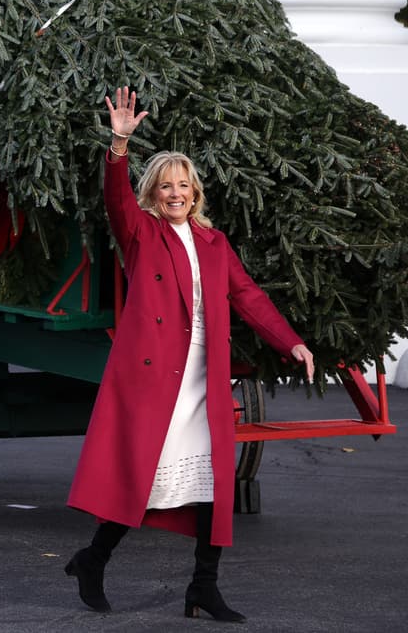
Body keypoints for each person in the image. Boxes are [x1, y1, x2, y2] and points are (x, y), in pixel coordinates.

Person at [65, 86, 315, 621]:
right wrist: (118, 145)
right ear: (153, 193)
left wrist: (289, 340)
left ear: (195, 193)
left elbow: (247, 296)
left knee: (213, 483)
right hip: (158, 375)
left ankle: (203, 586)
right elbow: (116, 201)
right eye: (165, 186)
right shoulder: (140, 233)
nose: (175, 193)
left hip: (205, 372)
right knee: (147, 476)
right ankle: (93, 558)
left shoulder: (214, 243)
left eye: (183, 185)